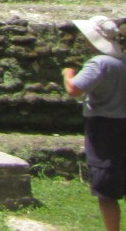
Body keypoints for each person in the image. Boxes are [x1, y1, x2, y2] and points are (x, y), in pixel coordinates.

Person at [63, 15, 126, 231]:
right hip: (122, 122)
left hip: (103, 127)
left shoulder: (99, 63)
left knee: (105, 187)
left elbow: (74, 90)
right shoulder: (122, 61)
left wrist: (67, 74)